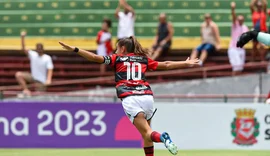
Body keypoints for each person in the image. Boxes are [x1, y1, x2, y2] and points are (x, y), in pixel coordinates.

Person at [59, 36, 200, 156]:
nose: (115, 50)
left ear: (123, 49)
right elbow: (167, 64)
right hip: (147, 97)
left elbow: (96, 58)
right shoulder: (142, 59)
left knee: (148, 133)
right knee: (146, 134)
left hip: (130, 97)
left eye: (116, 48)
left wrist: (75, 49)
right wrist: (186, 63)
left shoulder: (117, 59)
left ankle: (163, 137)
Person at [15, 31, 54, 96]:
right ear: (36, 49)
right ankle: (26, 90)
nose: (39, 50)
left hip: (41, 80)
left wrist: (48, 79)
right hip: (33, 77)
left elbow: (50, 69)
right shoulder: (33, 54)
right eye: (37, 48)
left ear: (42, 49)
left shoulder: (47, 58)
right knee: (18, 75)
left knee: (39, 96)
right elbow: (23, 48)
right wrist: (22, 37)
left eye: (40, 48)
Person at [228, 2, 249, 75]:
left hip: (241, 50)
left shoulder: (245, 27)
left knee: (240, 68)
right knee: (236, 68)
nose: (239, 21)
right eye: (238, 19)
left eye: (241, 19)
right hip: (234, 49)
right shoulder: (235, 25)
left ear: (243, 20)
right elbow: (233, 17)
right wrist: (233, 9)